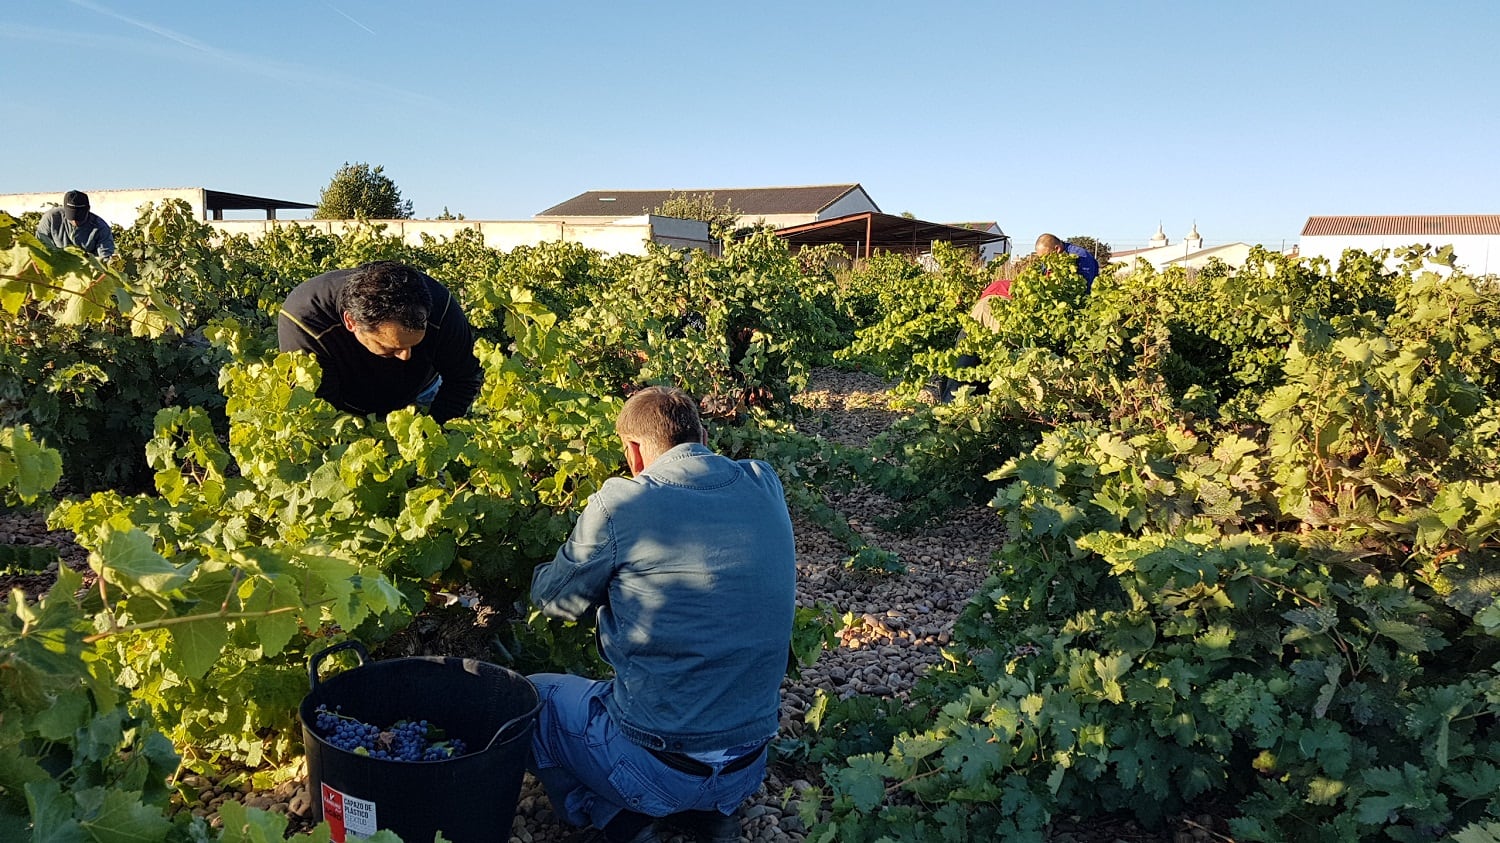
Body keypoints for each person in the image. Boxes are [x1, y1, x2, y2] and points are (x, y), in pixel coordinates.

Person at [527, 385, 797, 843]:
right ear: (704, 436)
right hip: (747, 766)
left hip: (656, 766)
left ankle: (616, 819)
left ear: (633, 451)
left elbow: (556, 602)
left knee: (535, 699)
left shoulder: (621, 503)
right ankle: (712, 812)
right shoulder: (763, 481)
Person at [277, 260, 483, 423]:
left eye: (414, 344)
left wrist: (432, 436)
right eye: (392, 347)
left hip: (424, 390)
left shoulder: (442, 306)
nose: (406, 356)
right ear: (351, 322)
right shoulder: (304, 320)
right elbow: (321, 410)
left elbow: (463, 378)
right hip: (351, 410)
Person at [35, 190, 115, 258]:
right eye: (71, 217)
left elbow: (105, 259)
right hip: (57, 266)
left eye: (80, 217)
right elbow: (40, 247)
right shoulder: (51, 218)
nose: (75, 221)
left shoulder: (101, 228)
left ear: (88, 209)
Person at [1033, 233, 1100, 290]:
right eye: (1042, 258)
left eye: (1046, 256)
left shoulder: (1081, 256)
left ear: (1057, 249)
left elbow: (1085, 285)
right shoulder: (1049, 260)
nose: (1045, 260)